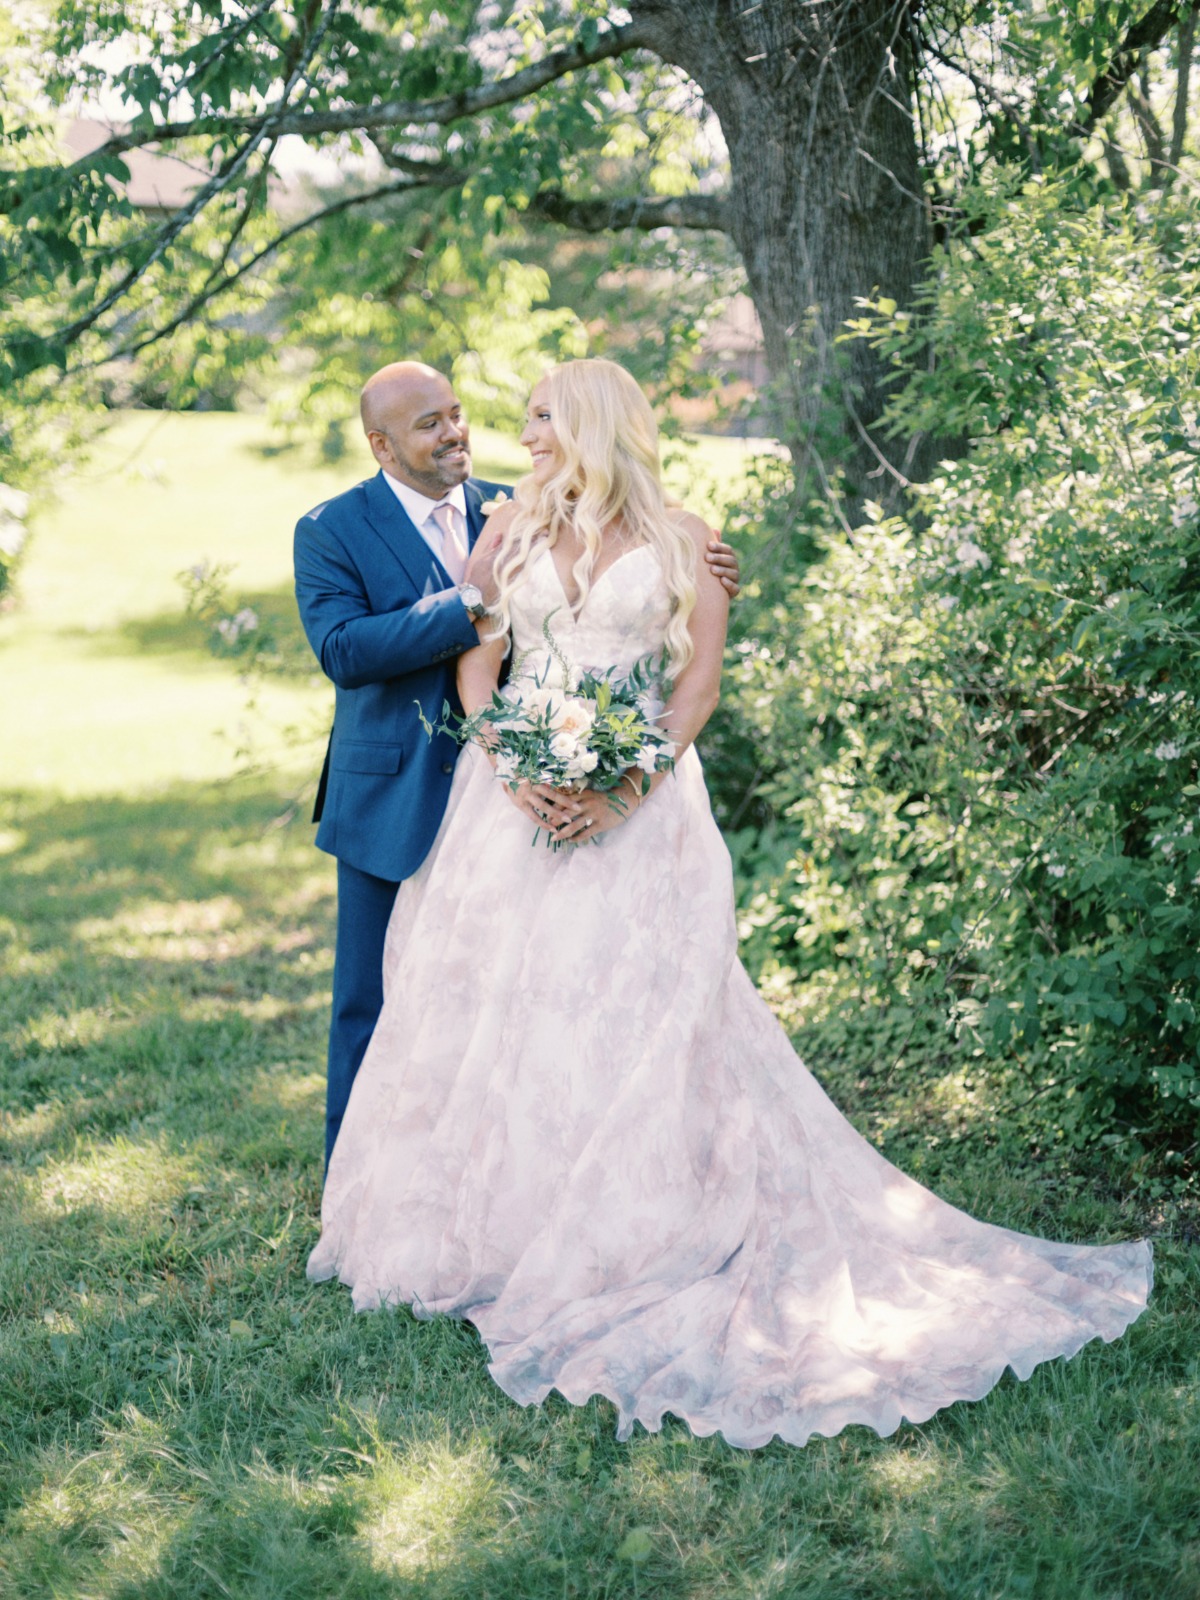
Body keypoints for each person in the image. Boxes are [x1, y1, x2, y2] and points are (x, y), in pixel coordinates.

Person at [307, 358, 1151, 1451]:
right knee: (500, 1009)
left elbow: (696, 682)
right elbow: (481, 658)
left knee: (639, 1009)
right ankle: (503, 1221)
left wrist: (621, 786)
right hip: (507, 801)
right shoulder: (503, 528)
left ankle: (642, 1219)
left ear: (595, 427)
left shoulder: (683, 538)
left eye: (539, 419)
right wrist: (517, 766)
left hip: (642, 808)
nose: (517, 436)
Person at [293, 361, 740, 1166]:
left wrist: (708, 571)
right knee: (383, 994)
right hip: (411, 780)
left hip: (582, 774)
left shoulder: (519, 503)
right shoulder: (332, 528)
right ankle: (356, 1178)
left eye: (456, 413)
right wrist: (470, 611)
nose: (460, 431)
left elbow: (691, 662)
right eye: (431, 423)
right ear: (382, 445)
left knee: (579, 992)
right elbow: (344, 650)